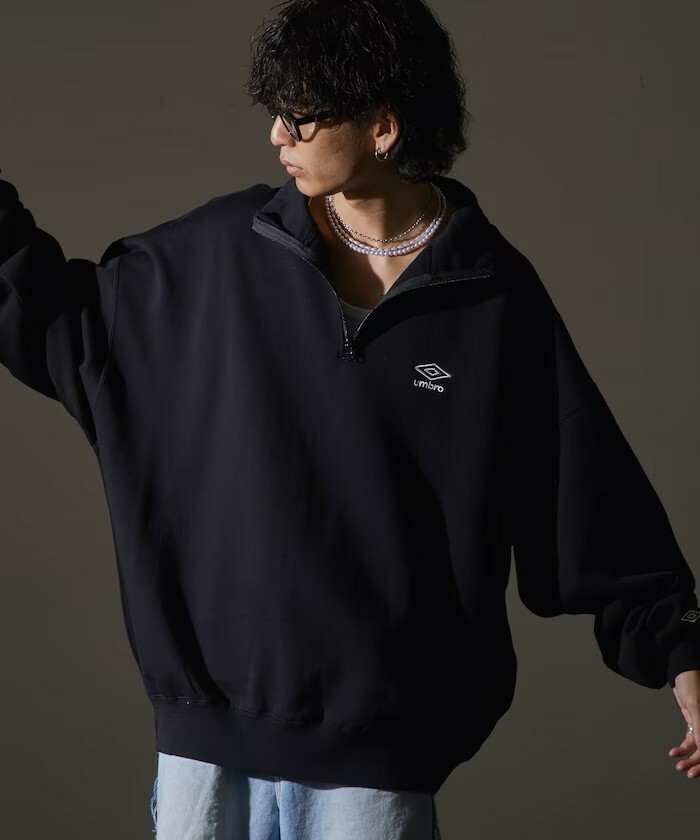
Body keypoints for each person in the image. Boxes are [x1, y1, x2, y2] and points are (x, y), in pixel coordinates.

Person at [2, 1, 699, 838]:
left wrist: (682, 650)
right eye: (275, 111)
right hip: (205, 760)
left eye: (300, 116)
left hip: (376, 768)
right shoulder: (218, 254)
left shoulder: (491, 296)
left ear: (383, 127)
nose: (277, 135)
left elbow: (583, 490)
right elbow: (58, 322)